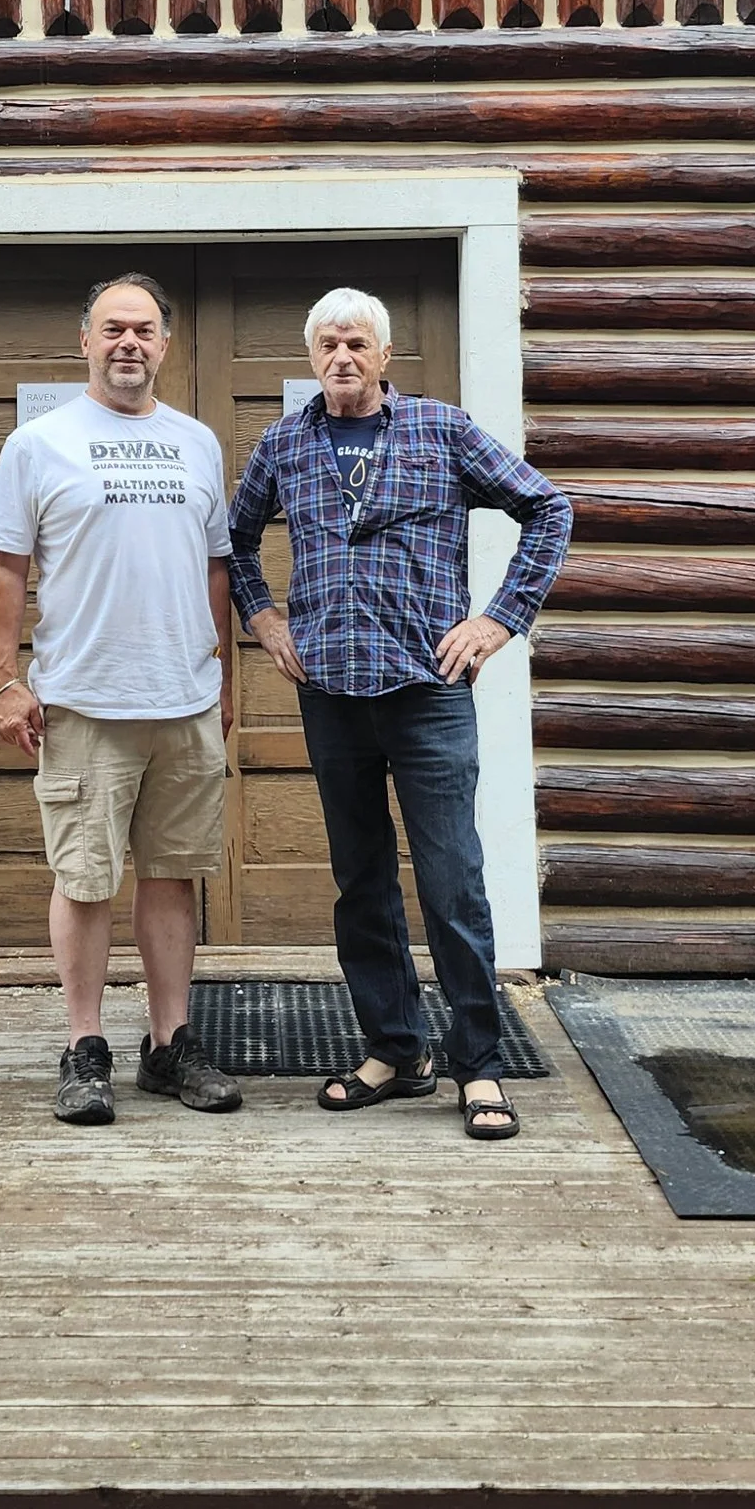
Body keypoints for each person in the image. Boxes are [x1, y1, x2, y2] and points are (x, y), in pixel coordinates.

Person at [228, 286, 570, 1142]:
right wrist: (263, 617)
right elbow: (231, 537)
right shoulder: (285, 443)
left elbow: (548, 508)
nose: (342, 357)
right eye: (328, 345)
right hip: (332, 693)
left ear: (384, 356)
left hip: (428, 692)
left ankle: (480, 1065)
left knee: (452, 881)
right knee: (362, 881)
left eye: (357, 344)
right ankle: (394, 1047)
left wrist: (498, 620)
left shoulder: (443, 430)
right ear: (312, 358)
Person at [0, 270, 244, 1127]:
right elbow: (2, 571)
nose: (129, 342)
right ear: (85, 342)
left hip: (184, 701)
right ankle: (84, 1047)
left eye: (144, 329)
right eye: (112, 328)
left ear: (165, 344)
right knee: (85, 879)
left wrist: (223, 676)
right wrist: (4, 681)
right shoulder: (39, 444)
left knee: (171, 878)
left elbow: (215, 571)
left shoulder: (198, 441)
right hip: (85, 702)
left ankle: (170, 1044)